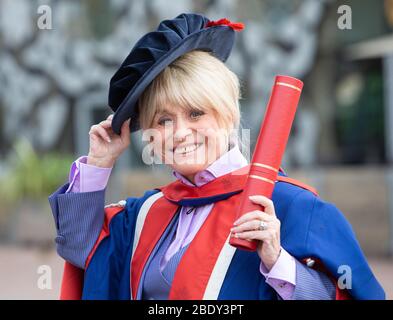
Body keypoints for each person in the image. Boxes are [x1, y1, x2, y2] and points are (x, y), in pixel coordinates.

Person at [48, 13, 385, 300]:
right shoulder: (145, 215)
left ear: (227, 115)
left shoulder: (290, 206)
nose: (179, 133)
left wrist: (277, 260)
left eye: (196, 114)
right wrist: (99, 163)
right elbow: (81, 249)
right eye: (163, 120)